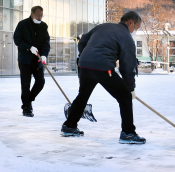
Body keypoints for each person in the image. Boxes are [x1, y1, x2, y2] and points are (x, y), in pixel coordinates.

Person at [61, 11, 146, 144]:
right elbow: (127, 67)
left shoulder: (103, 27)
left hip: (84, 65)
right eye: (136, 28)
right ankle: (128, 133)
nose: (135, 31)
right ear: (130, 23)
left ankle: (69, 126)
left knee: (83, 95)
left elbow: (83, 40)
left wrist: (87, 56)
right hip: (102, 67)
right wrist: (130, 88)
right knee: (125, 97)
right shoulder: (126, 37)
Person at [13, 6, 50, 117]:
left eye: (41, 15)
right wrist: (29, 47)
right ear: (32, 14)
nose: (40, 18)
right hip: (25, 60)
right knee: (25, 84)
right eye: (38, 15)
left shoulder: (43, 26)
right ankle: (26, 108)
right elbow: (17, 40)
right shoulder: (22, 24)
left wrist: (43, 55)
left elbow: (46, 42)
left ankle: (28, 100)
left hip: (37, 60)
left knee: (40, 82)